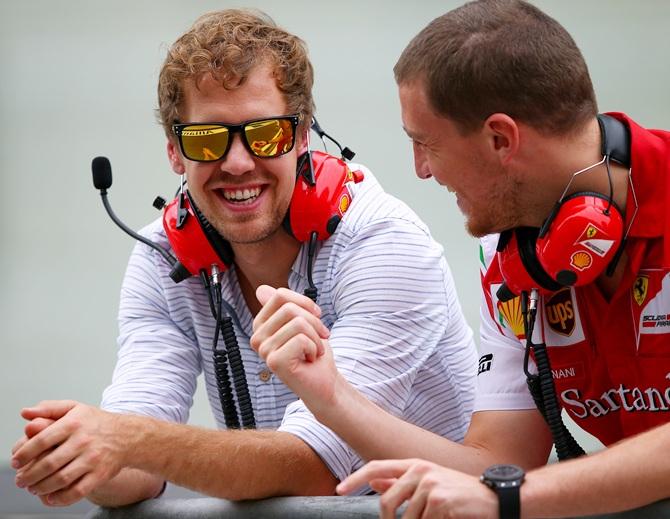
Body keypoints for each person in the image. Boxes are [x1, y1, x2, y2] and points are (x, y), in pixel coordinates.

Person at [10, 8, 478, 508]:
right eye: (207, 140)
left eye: (266, 134)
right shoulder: (160, 259)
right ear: (174, 150)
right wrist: (77, 456)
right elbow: (130, 465)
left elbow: (315, 468)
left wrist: (128, 440)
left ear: (301, 137)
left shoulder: (385, 243)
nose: (237, 163)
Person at [250, 1, 670, 517]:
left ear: (500, 138)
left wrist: (514, 499)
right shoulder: (512, 255)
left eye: (425, 144)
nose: (422, 170)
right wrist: (332, 396)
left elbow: (506, 490)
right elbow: (496, 464)